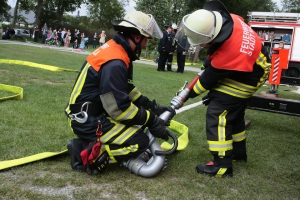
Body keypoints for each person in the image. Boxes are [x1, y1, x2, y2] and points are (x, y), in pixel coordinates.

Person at [65, 11, 174, 175]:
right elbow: (118, 108)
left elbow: (126, 90)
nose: (145, 45)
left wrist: (152, 107)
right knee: (139, 142)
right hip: (87, 121)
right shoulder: (115, 61)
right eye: (145, 39)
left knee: (138, 124)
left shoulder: (117, 51)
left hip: (90, 114)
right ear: (136, 37)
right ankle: (83, 150)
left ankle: (91, 143)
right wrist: (152, 120)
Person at [175, 0, 271, 177]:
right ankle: (238, 153)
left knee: (218, 111)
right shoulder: (230, 19)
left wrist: (185, 95)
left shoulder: (228, 55)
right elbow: (215, 56)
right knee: (235, 112)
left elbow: (206, 82)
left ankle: (221, 165)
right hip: (254, 64)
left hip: (251, 74)